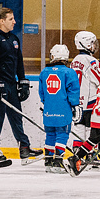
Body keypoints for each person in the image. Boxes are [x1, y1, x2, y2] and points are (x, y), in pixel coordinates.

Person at [0, 7, 42, 163]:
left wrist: (22, 81)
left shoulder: (14, 39)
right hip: (0, 86)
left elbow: (19, 62)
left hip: (12, 84)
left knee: (17, 117)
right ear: (2, 21)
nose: (14, 22)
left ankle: (24, 148)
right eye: (11, 19)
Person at [38, 44, 81, 173]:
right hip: (64, 110)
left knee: (50, 134)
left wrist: (46, 103)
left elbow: (42, 92)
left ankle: (48, 161)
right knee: (62, 135)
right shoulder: (69, 72)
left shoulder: (44, 72)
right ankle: (58, 162)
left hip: (49, 110)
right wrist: (75, 106)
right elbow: (73, 92)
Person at [70, 30, 100, 152]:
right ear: (87, 44)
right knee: (91, 129)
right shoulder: (91, 60)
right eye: (93, 43)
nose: (94, 46)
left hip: (77, 101)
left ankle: (77, 153)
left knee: (79, 128)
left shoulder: (74, 60)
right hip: (90, 101)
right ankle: (90, 153)